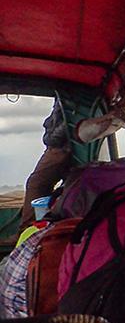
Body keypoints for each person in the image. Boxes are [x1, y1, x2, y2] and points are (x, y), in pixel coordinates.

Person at [20, 97, 71, 230]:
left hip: (60, 147)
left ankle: (27, 231)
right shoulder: (62, 94)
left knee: (35, 183)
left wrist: (53, 139)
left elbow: (68, 121)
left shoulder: (69, 94)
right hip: (58, 144)